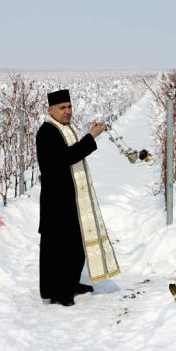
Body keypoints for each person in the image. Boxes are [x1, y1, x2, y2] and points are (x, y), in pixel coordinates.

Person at [36, 89, 121, 306]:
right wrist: (90, 137)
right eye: (62, 108)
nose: (67, 111)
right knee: (58, 247)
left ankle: (72, 283)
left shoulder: (65, 128)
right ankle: (58, 292)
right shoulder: (47, 132)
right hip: (57, 200)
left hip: (71, 196)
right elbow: (67, 157)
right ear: (51, 110)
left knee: (74, 244)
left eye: (69, 107)